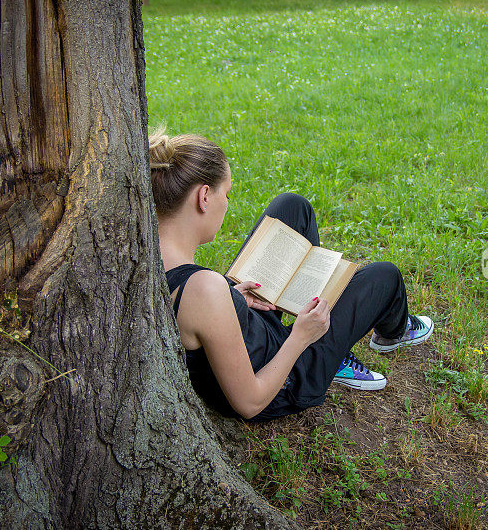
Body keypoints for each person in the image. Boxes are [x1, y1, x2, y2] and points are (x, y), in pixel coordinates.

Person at [151, 130, 434, 421]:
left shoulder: (148, 258)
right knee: (384, 277)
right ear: (204, 197)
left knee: (291, 206)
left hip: (249, 335)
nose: (227, 203)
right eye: (227, 193)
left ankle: (328, 343)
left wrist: (231, 298)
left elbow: (199, 316)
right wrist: (302, 338)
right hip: (282, 381)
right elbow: (250, 403)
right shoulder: (204, 290)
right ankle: (393, 334)